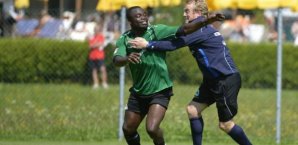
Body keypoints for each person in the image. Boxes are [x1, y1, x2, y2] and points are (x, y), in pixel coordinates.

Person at [128, 1, 252, 145]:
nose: (184, 14)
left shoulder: (199, 29)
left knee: (225, 125)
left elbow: (173, 45)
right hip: (212, 80)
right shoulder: (198, 28)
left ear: (198, 13)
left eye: (187, 11)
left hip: (225, 80)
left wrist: (148, 44)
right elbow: (175, 36)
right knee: (193, 110)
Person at [113, 6, 224, 145]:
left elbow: (184, 29)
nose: (143, 18)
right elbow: (117, 60)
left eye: (145, 15)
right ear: (130, 21)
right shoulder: (125, 38)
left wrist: (208, 20)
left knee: (152, 129)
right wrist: (127, 58)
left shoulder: (156, 30)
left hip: (160, 90)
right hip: (138, 92)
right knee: (128, 129)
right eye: (138, 16)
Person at [88, 24, 108, 89]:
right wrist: (96, 44)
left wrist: (95, 44)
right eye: (95, 30)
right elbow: (90, 46)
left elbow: (101, 43)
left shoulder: (101, 36)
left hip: (100, 56)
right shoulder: (92, 37)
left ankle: (104, 83)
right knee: (94, 70)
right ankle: (96, 83)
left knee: (102, 69)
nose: (96, 31)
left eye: (97, 30)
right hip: (92, 56)